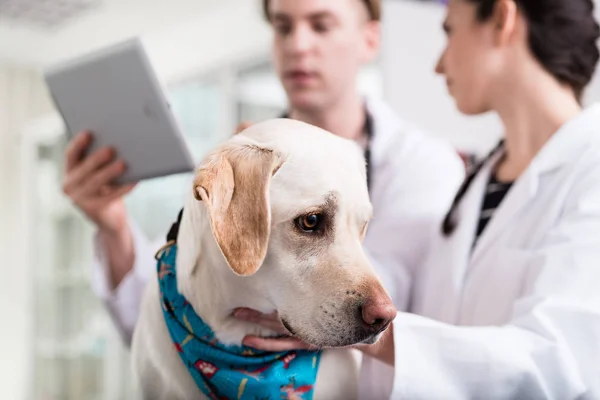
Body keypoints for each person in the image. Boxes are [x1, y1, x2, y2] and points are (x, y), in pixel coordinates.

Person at [235, 0, 600, 398]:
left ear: (501, 17)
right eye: (283, 28)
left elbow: (558, 361)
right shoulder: (482, 179)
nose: (438, 65)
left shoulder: (588, 168)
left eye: (449, 30)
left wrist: (358, 328)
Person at [61, 0, 465, 346]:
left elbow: (388, 306)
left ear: (370, 40)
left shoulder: (425, 166)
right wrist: (114, 226)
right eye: (283, 26)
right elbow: (163, 318)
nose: (298, 45)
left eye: (321, 25)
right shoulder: (238, 169)